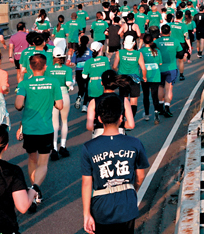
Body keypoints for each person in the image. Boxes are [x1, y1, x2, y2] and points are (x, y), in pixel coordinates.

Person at [81, 95, 149, 234]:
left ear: (99, 119)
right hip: (127, 205)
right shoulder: (135, 143)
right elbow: (140, 176)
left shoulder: (89, 147)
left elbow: (87, 183)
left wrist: (86, 214)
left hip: (101, 207)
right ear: (121, 118)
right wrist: (131, 189)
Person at [14, 53, 63, 211]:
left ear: (30, 67)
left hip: (29, 128)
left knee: (32, 160)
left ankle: (34, 190)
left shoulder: (24, 84)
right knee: (43, 162)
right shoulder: (53, 82)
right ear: (45, 66)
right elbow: (60, 106)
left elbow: (18, 105)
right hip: (46, 128)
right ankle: (34, 189)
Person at [85, 70, 136, 138]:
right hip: (118, 133)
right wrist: (120, 123)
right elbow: (131, 125)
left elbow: (89, 126)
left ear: (102, 83)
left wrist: (98, 125)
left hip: (99, 135)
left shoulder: (94, 102)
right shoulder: (124, 100)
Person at [47, 45, 74, 160]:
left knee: (54, 123)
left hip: (52, 96)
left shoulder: (48, 69)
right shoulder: (67, 69)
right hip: (63, 95)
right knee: (64, 121)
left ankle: (54, 148)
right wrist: (72, 83)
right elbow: (68, 83)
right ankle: (62, 146)